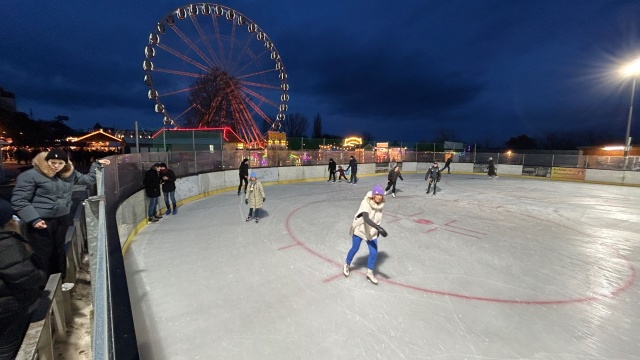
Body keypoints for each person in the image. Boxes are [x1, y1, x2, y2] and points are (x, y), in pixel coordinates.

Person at [11, 148, 110, 281]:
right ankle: (42, 284)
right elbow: (19, 200)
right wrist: (34, 219)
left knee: (59, 250)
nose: (56, 166)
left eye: (60, 163)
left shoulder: (69, 174)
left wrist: (96, 165)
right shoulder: (31, 175)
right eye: (53, 162)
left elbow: (88, 179)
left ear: (66, 163)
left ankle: (59, 279)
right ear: (47, 161)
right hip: (41, 221)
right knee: (42, 253)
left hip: (61, 218)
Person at [0, 199, 48, 359]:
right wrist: (41, 277)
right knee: (7, 347)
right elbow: (24, 276)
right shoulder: (6, 244)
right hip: (9, 307)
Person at [343, 184, 388, 285]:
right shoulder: (365, 202)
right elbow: (366, 218)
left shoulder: (380, 205)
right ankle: (347, 263)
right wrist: (378, 228)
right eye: (378, 195)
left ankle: (369, 272)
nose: (379, 197)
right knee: (355, 248)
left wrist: (377, 231)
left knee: (373, 252)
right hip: (360, 229)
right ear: (373, 195)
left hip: (372, 232)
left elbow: (378, 219)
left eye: (381, 195)